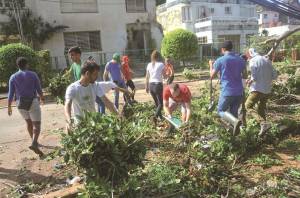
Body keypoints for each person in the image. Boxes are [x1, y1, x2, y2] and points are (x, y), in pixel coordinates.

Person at [64, 60, 121, 131]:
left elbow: (106, 102)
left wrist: (118, 115)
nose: (97, 76)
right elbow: (67, 105)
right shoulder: (72, 88)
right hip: (80, 125)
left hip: (93, 123)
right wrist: (68, 121)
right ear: (87, 73)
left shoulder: (95, 85)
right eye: (95, 74)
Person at [8, 57, 45, 156]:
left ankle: (34, 141)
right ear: (27, 64)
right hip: (32, 101)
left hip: (20, 103)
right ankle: (34, 142)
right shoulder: (33, 74)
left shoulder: (13, 77)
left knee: (28, 123)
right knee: (36, 124)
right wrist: (42, 97)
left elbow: (11, 93)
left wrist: (9, 106)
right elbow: (38, 88)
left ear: (18, 65)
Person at [209, 40, 246, 135]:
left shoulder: (220, 60)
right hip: (239, 92)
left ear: (223, 49)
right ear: (231, 48)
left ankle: (235, 123)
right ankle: (235, 136)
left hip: (227, 91)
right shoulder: (240, 60)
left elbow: (211, 76)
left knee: (221, 111)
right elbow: (245, 75)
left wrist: (210, 65)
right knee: (234, 113)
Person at [245, 48, 278, 136]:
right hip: (267, 89)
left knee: (248, 106)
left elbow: (254, 76)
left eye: (247, 55)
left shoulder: (253, 60)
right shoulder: (267, 60)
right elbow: (275, 75)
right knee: (261, 109)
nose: (247, 57)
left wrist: (249, 81)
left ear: (250, 53)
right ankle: (264, 131)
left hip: (258, 89)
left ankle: (263, 123)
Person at [145, 50, 166, 125]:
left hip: (151, 85)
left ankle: (160, 117)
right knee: (161, 104)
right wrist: (167, 76)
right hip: (158, 85)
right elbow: (164, 76)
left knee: (157, 103)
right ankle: (155, 117)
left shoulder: (149, 64)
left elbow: (147, 77)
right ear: (158, 57)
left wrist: (146, 86)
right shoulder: (161, 64)